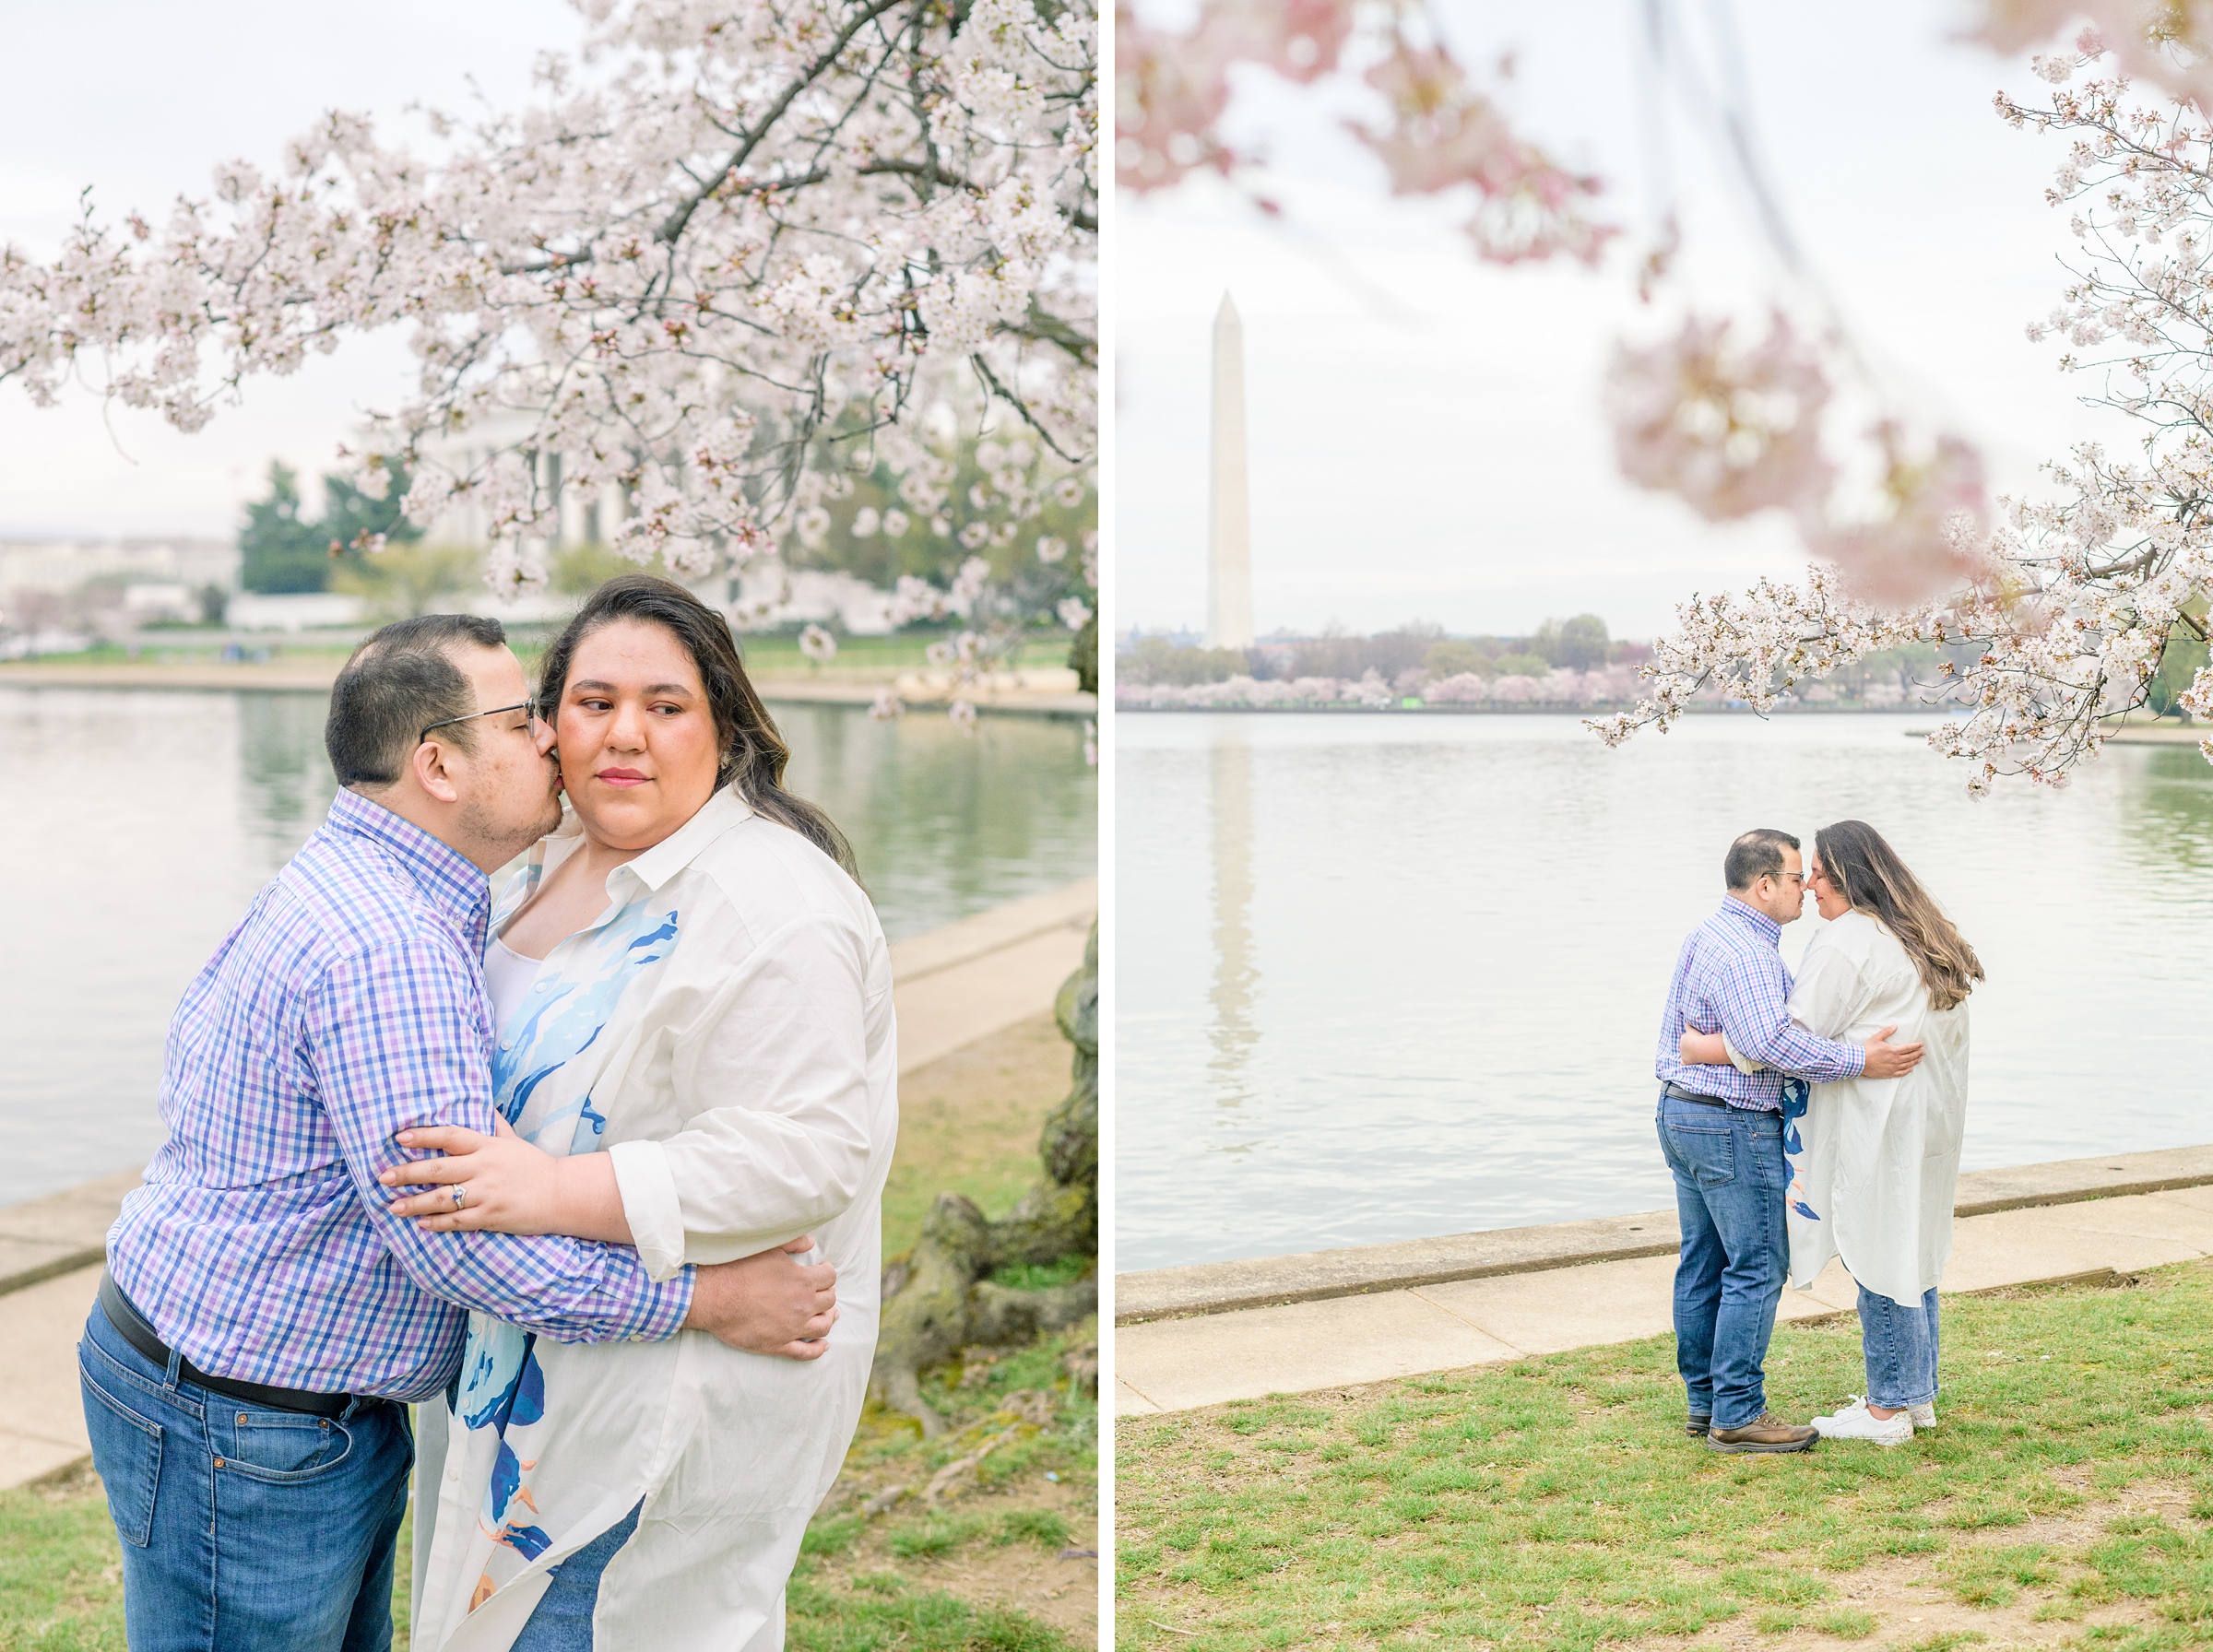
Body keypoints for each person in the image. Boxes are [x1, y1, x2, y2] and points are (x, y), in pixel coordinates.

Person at [79, 614, 839, 1652]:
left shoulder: (367, 880)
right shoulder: (391, 946)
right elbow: (465, 1245)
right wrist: (710, 1297)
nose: (551, 743)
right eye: (527, 717)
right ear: (438, 762)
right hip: (247, 1425)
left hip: (229, 1383)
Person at [373, 575, 897, 1651]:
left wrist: (553, 1187)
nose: (626, 735)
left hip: (653, 1408)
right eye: (594, 701)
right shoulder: (547, 865)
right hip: (522, 1367)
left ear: (723, 726)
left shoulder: (770, 904)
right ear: (548, 724)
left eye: (666, 706)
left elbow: (807, 1153)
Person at [1677, 820, 1981, 1446]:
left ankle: (1886, 1410)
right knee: (1912, 1248)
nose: (1810, 885)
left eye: (1816, 872)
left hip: (1878, 1121)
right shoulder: (1920, 935)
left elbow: (1784, 1035)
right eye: (1802, 873)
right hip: (1927, 1122)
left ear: (1847, 875)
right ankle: (1912, 1396)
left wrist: (1703, 1047)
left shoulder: (1848, 940)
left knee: (1878, 1250)